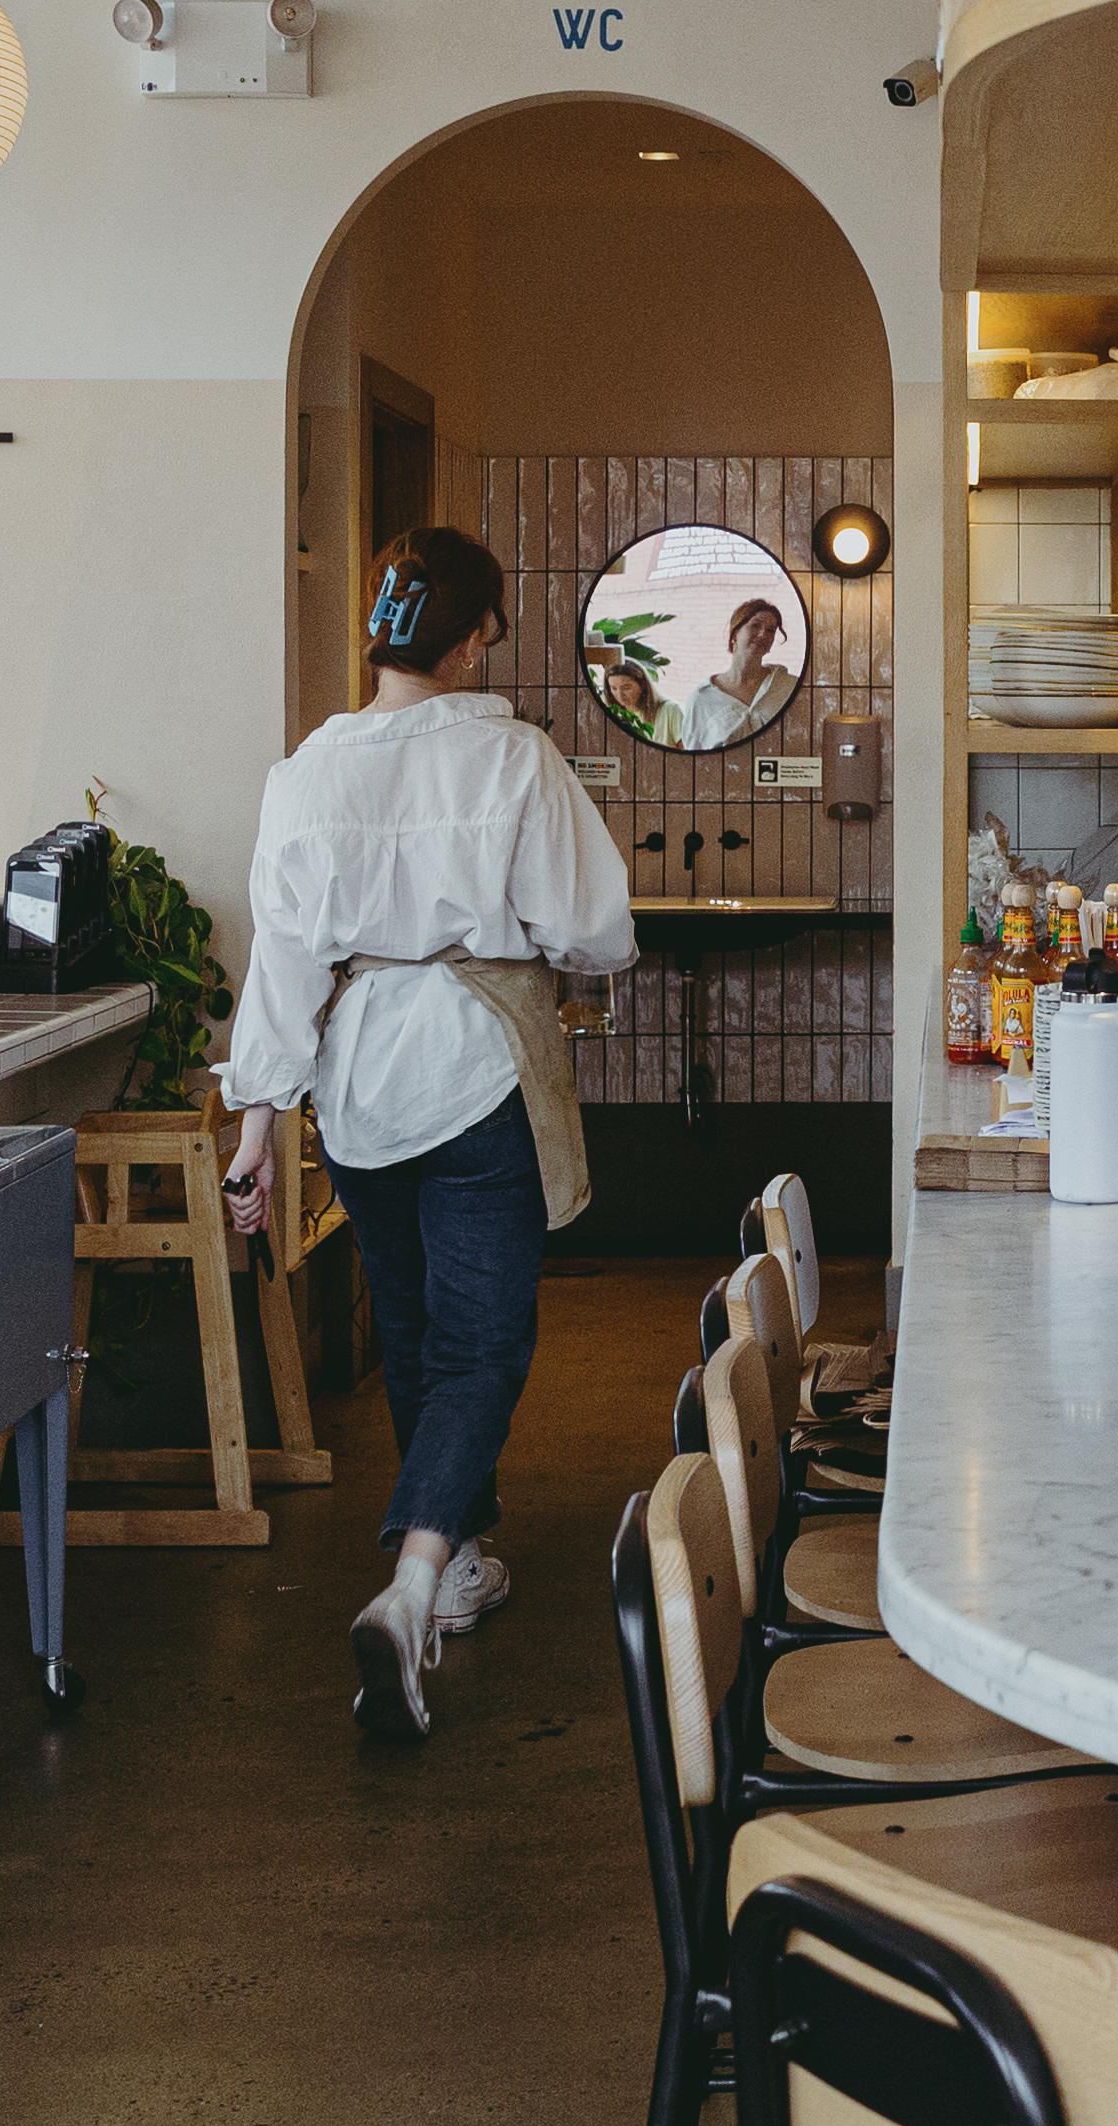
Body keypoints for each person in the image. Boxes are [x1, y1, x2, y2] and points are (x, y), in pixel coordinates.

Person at [225, 523, 634, 1743]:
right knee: (483, 1342)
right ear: (470, 639)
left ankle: (451, 1561)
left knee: (407, 1326)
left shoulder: (305, 771)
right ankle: (411, 1586)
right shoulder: (511, 757)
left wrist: (258, 1126)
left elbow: (281, 964)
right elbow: (596, 927)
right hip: (473, 1072)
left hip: (353, 1084)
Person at [668, 597, 793, 751]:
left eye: (770, 630)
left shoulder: (788, 686)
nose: (762, 634)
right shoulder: (701, 700)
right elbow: (695, 759)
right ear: (735, 634)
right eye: (755, 625)